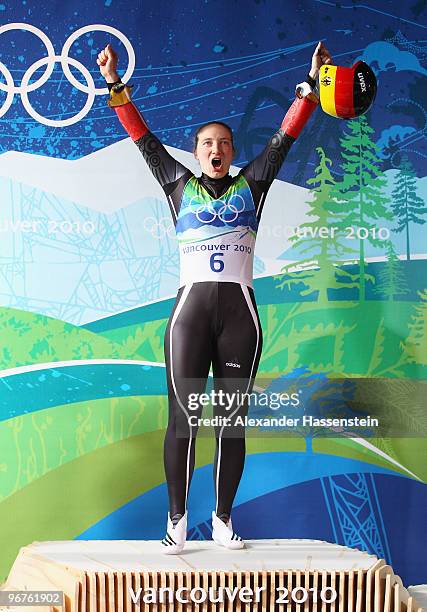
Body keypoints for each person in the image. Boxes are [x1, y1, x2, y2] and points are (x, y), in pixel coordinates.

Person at [97, 41, 332, 554]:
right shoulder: (177, 184)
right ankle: (177, 519)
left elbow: (284, 138)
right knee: (184, 421)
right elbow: (144, 140)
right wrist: (115, 86)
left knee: (231, 423)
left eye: (224, 142)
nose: (216, 149)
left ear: (231, 149)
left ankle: (223, 520)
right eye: (207, 143)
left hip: (239, 320)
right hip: (190, 317)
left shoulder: (254, 183)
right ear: (198, 150)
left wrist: (310, 87)